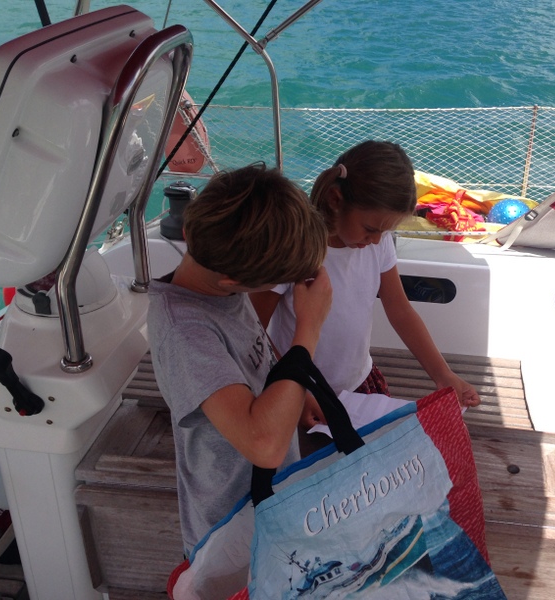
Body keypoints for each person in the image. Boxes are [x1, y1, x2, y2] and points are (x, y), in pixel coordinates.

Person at [146, 163, 331, 555]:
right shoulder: (186, 331)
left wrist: (295, 390)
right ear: (233, 281)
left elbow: (253, 349)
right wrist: (309, 328)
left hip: (270, 507)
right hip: (231, 534)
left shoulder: (220, 289)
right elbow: (264, 445)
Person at [251, 141, 480, 428]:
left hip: (358, 385)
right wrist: (295, 390)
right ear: (335, 199)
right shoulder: (292, 248)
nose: (376, 240)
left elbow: (400, 310)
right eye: (371, 229)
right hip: (298, 389)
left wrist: (442, 375)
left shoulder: (378, 241)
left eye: (385, 231)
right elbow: (253, 330)